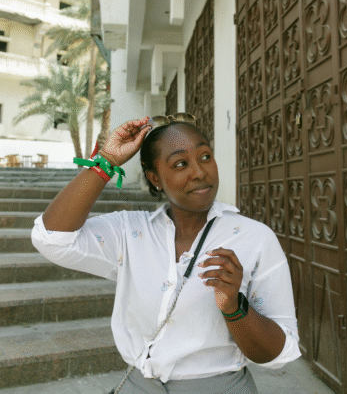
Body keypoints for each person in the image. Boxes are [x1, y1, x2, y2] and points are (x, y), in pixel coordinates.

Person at [31, 114, 301, 394]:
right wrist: (106, 161)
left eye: (205, 157)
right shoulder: (130, 233)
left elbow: (278, 353)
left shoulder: (254, 238)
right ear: (155, 178)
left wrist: (234, 307)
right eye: (181, 163)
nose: (199, 172)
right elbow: (51, 238)